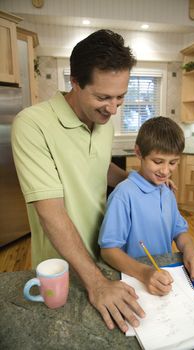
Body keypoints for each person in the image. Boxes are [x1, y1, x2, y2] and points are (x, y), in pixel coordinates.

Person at [11, 29, 146, 333]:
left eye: (120, 97)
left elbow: (97, 164)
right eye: (103, 97)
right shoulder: (32, 125)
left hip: (107, 254)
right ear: (74, 82)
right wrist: (97, 284)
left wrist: (137, 181)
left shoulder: (103, 123)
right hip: (65, 270)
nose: (113, 109)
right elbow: (50, 212)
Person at [99, 117, 194, 295]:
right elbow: (108, 250)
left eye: (173, 162)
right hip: (134, 280)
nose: (166, 171)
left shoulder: (166, 191)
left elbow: (179, 231)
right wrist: (144, 273)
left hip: (163, 276)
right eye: (158, 162)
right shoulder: (124, 195)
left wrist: (191, 252)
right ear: (138, 152)